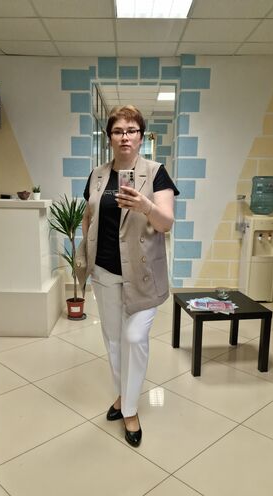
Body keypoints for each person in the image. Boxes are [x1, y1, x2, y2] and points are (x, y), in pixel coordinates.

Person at [78, 105, 179, 447]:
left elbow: (166, 223)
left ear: (141, 136)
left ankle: (130, 410)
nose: (125, 136)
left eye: (132, 130)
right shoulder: (97, 175)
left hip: (143, 274)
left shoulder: (156, 173)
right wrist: (88, 249)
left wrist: (145, 206)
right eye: (118, 130)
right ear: (109, 137)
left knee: (134, 338)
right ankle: (123, 396)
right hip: (105, 272)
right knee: (113, 340)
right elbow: (88, 215)